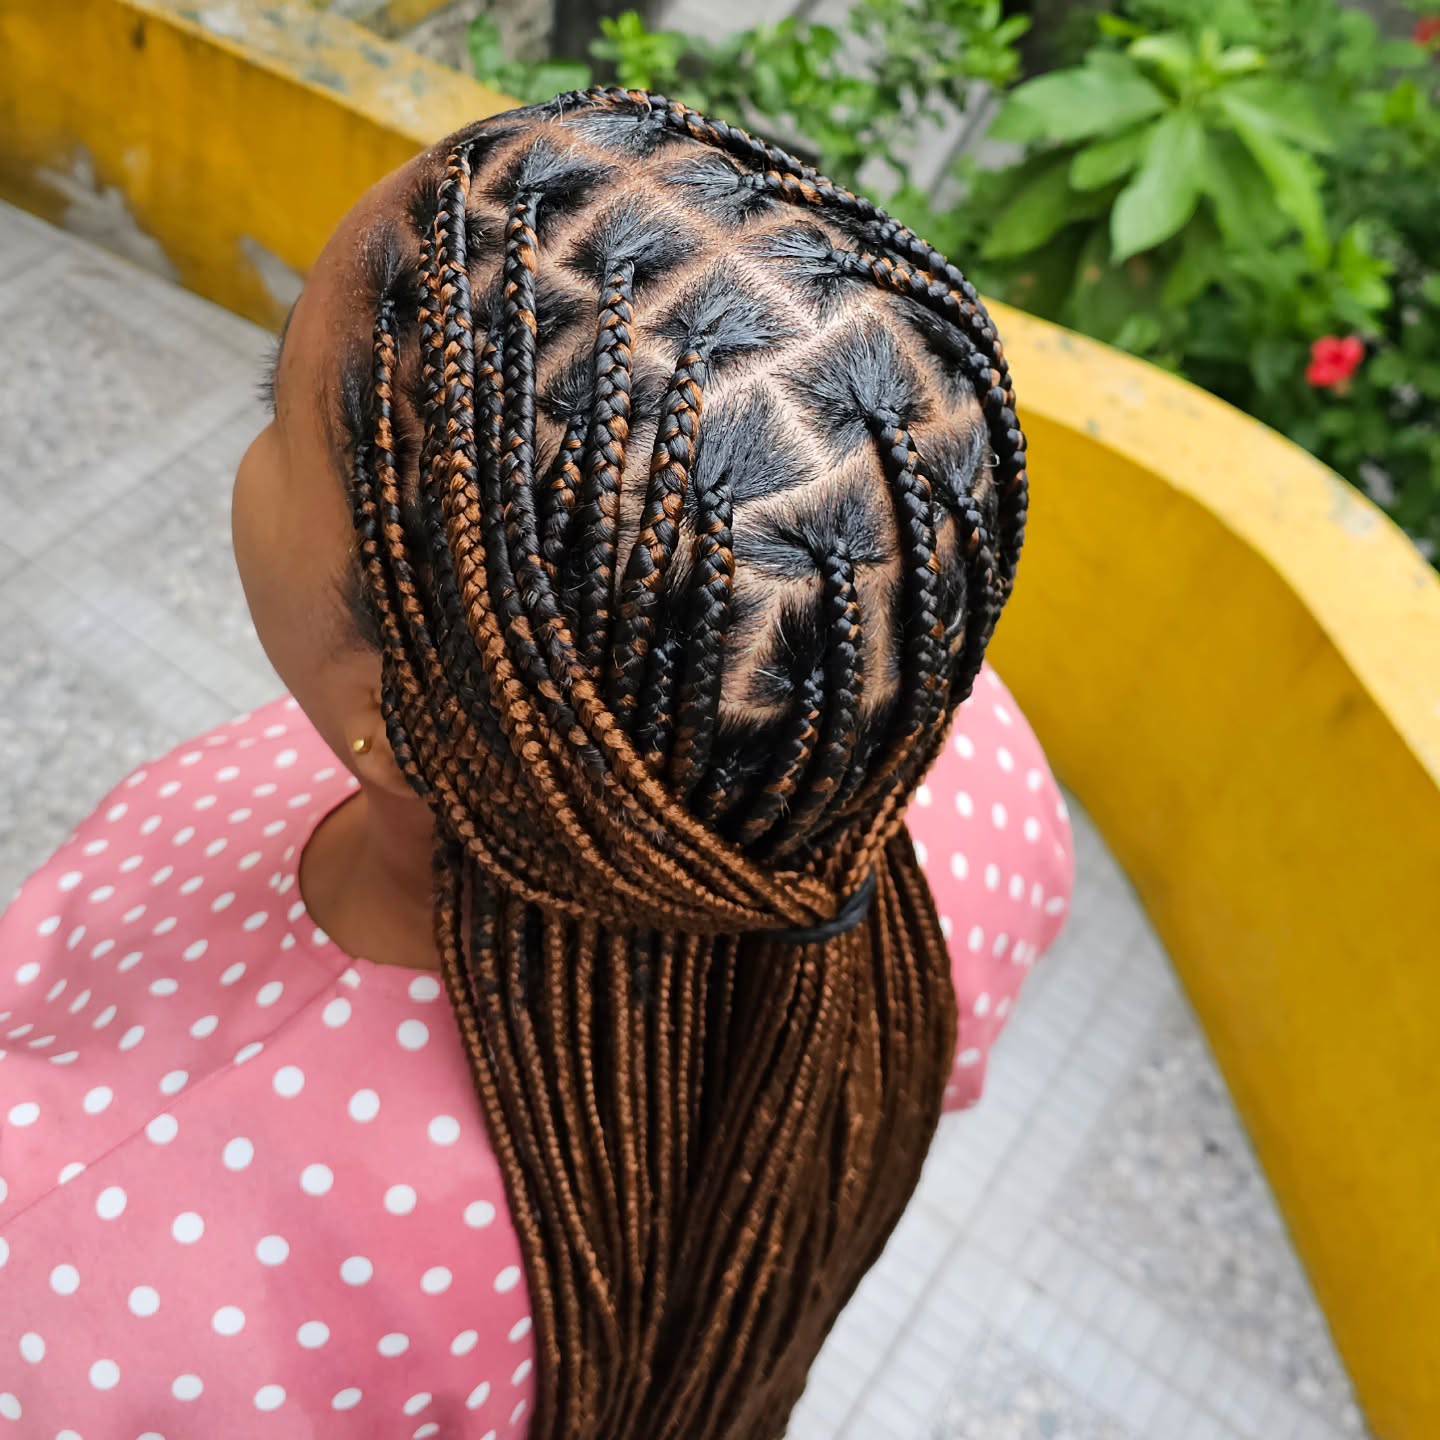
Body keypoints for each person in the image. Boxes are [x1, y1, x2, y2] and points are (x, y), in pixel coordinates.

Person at [0, 88, 1073, 1439]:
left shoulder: (83, 1251)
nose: (257, 437)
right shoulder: (975, 767)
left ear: (396, 711)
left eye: (273, 402)